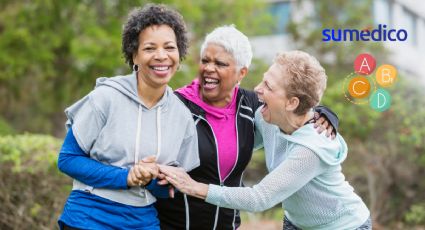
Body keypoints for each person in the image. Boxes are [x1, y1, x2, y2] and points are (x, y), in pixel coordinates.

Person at [159, 51, 372, 229]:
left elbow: (260, 198)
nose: (258, 89)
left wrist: (194, 187)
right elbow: (235, 137)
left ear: (292, 103)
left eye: (269, 86)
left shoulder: (312, 148)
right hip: (296, 223)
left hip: (344, 225)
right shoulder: (267, 117)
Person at [56, 4, 199, 230]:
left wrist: (152, 178)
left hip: (143, 220)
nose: (161, 56)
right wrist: (127, 176)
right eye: (150, 48)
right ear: (134, 55)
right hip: (89, 217)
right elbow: (68, 159)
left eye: (170, 47)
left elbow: (169, 189)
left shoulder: (182, 117)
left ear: (179, 55)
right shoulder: (104, 98)